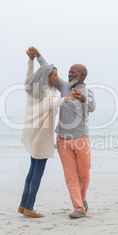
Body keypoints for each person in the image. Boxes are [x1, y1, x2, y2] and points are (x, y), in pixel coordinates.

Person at [29, 47, 96, 218]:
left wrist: (82, 99)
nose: (69, 76)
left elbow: (92, 107)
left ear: (82, 77)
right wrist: (38, 56)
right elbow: (49, 70)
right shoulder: (65, 87)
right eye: (69, 73)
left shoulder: (88, 92)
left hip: (81, 139)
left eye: (72, 73)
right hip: (63, 140)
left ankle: (82, 199)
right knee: (71, 176)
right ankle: (79, 208)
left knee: (85, 174)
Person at [18, 49, 74, 218]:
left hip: (31, 133)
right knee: (37, 172)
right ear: (47, 77)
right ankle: (29, 206)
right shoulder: (46, 93)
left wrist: (31, 61)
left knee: (32, 169)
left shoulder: (32, 87)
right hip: (41, 135)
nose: (57, 78)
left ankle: (22, 205)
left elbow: (29, 76)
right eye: (54, 75)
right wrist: (68, 98)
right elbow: (52, 105)